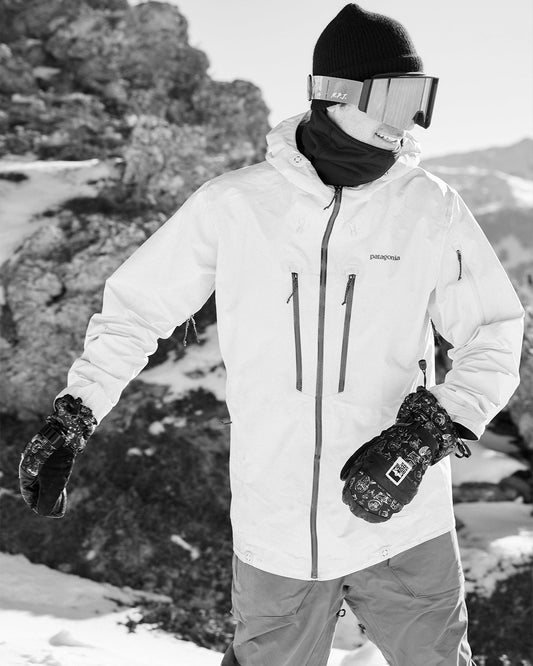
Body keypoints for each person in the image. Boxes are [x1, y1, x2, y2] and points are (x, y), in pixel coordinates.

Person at [19, 4, 524, 665]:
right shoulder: (236, 205)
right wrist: (75, 414)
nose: (411, 121)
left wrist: (431, 429)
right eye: (396, 99)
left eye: (419, 100)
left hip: (401, 516)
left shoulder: (429, 207)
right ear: (336, 93)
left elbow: (494, 328)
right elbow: (136, 310)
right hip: (277, 528)